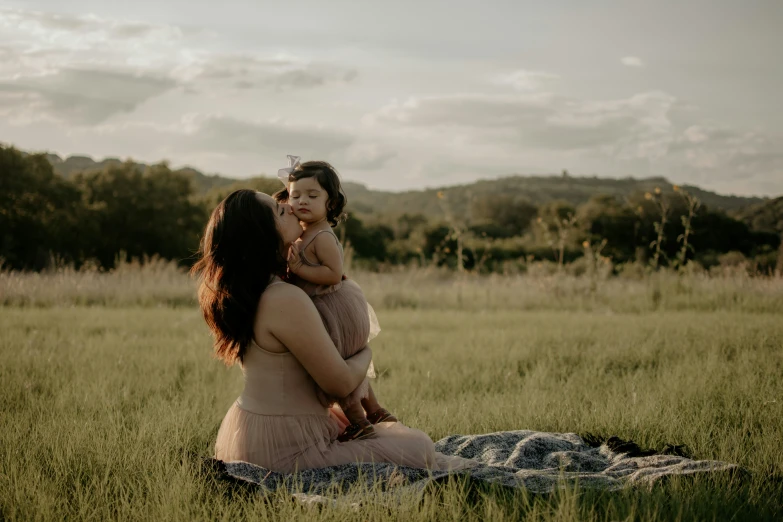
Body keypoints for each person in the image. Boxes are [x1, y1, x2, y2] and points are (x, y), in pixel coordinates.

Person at [191, 189, 474, 473]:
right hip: (285, 444)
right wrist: (365, 351)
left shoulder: (251, 290)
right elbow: (339, 383)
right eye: (279, 210)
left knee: (390, 435)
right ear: (262, 235)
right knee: (419, 447)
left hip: (260, 426)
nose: (290, 207)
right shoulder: (282, 299)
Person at [274, 156, 394, 442]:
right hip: (325, 305)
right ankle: (375, 410)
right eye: (296, 195)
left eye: (313, 195)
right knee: (347, 361)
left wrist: (299, 268)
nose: (302, 201)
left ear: (331, 203)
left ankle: (359, 422)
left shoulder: (322, 237)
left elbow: (333, 274)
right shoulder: (304, 233)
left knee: (337, 367)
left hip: (331, 308)